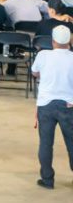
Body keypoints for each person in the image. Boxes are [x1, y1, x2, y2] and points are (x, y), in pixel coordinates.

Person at [31, 25, 73, 189]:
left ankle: (48, 180)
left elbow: (35, 73)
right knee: (71, 143)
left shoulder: (43, 55)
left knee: (46, 143)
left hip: (46, 105)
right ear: (69, 40)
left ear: (53, 41)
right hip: (68, 105)